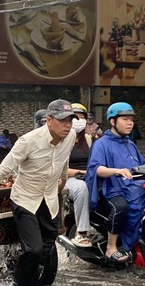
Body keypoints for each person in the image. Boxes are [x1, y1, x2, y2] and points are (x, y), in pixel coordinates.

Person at [0, 99, 77, 286]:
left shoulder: (70, 136)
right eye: (63, 120)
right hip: (26, 200)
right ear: (49, 120)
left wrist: (62, 179)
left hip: (50, 199)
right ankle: (19, 282)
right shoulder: (28, 141)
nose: (67, 125)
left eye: (70, 120)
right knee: (34, 250)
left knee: (47, 245)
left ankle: (27, 273)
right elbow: (3, 170)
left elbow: (64, 158)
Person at [85, 102, 145, 263]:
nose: (130, 123)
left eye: (131, 120)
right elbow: (96, 168)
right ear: (113, 121)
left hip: (131, 187)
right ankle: (111, 247)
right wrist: (116, 171)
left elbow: (142, 166)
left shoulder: (130, 143)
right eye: (125, 119)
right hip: (110, 189)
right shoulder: (101, 143)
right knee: (121, 207)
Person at [64, 103, 92, 248]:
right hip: (69, 179)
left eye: (82, 118)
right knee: (82, 188)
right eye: (75, 117)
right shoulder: (62, 140)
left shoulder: (88, 139)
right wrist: (81, 173)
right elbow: (60, 169)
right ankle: (81, 233)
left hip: (89, 177)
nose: (79, 121)